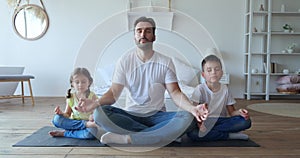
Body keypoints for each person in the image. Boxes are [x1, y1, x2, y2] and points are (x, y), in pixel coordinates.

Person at [75, 16, 208, 145]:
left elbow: (175, 93)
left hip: (158, 116)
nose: (143, 34)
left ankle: (128, 138)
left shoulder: (166, 62)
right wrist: (95, 103)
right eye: (139, 31)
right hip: (130, 115)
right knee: (99, 113)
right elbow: (114, 93)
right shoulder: (124, 61)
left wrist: (192, 108)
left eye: (148, 31)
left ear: (154, 37)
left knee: (188, 118)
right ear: (134, 37)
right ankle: (164, 136)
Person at [187, 54, 252, 141]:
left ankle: (212, 133)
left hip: (222, 121)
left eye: (217, 69)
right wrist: (200, 124)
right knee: (193, 134)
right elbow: (194, 112)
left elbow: (232, 112)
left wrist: (240, 112)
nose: (213, 72)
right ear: (203, 75)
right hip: (205, 122)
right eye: (209, 70)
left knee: (246, 122)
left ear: (221, 73)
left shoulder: (225, 89)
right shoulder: (199, 89)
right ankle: (229, 135)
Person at [49, 67, 101, 139]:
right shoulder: (71, 97)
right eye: (77, 82)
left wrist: (93, 116)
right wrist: (61, 113)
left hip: (89, 122)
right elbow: (67, 114)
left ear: (89, 82)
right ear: (72, 84)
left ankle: (65, 133)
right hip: (75, 122)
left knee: (90, 134)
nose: (80, 85)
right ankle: (83, 126)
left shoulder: (92, 96)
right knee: (57, 119)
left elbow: (98, 112)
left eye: (83, 82)